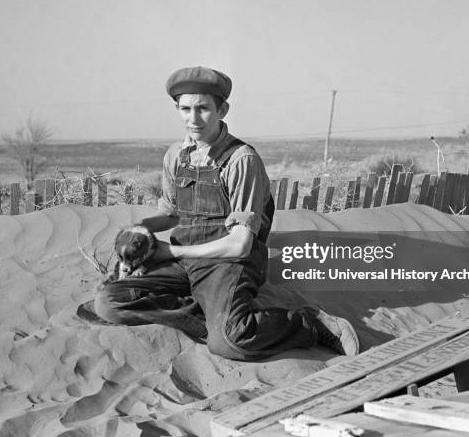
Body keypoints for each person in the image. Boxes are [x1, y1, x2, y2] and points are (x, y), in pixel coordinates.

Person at [92, 66, 359, 360]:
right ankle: (218, 315)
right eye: (185, 109)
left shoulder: (241, 160)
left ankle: (308, 324)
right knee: (109, 302)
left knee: (232, 343)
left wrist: (172, 253)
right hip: (185, 259)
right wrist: (139, 229)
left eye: (203, 108)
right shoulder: (174, 156)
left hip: (229, 263)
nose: (193, 119)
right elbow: (169, 215)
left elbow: (240, 244)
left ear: (223, 109)